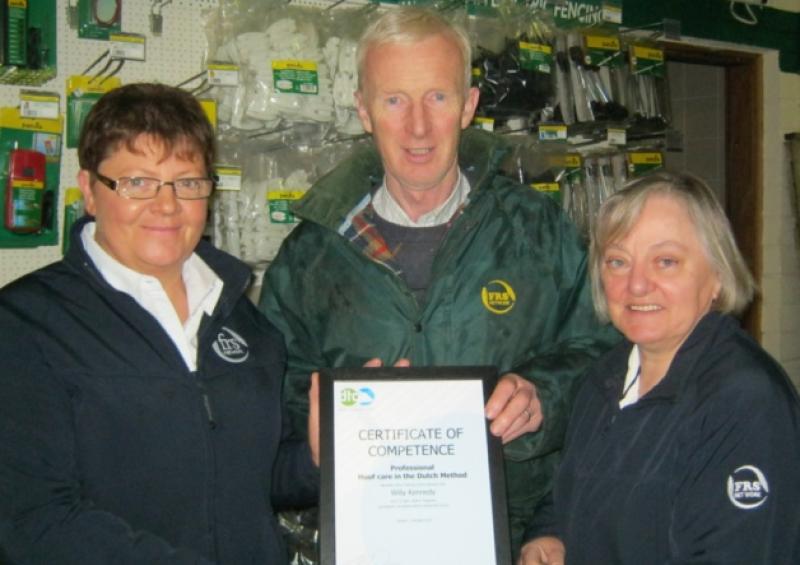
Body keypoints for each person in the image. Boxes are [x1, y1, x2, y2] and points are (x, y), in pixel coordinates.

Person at [258, 7, 618, 558]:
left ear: (469, 105)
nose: (418, 126)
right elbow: (272, 408)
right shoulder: (310, 258)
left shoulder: (537, 232)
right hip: (366, 542)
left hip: (512, 542)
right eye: (395, 100)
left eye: (438, 98)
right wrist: (323, 432)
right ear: (363, 110)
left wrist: (543, 396)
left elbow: (603, 357)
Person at [0, 83, 319, 564]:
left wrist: (319, 457)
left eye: (187, 182)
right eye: (138, 182)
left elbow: (250, 477)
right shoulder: (26, 326)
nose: (167, 205)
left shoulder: (246, 323)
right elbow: (32, 520)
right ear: (89, 190)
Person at [520, 171, 800, 565]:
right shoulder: (605, 377)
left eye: (665, 261)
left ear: (717, 274)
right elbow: (571, 490)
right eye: (618, 261)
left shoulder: (745, 401)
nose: (636, 285)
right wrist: (549, 534)